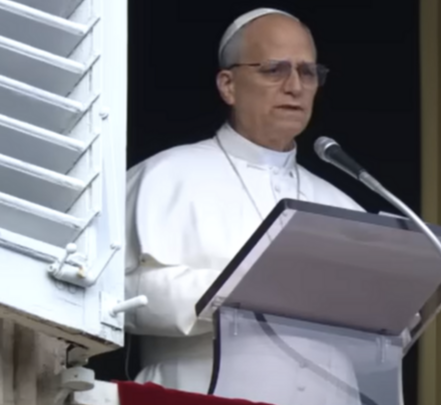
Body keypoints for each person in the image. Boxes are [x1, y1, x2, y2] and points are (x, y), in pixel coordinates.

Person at [123, 8, 371, 404]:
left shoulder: (343, 206)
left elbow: (380, 336)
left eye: (308, 72)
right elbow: (116, 296)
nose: (295, 86)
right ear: (228, 85)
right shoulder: (163, 176)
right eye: (274, 70)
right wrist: (244, 290)